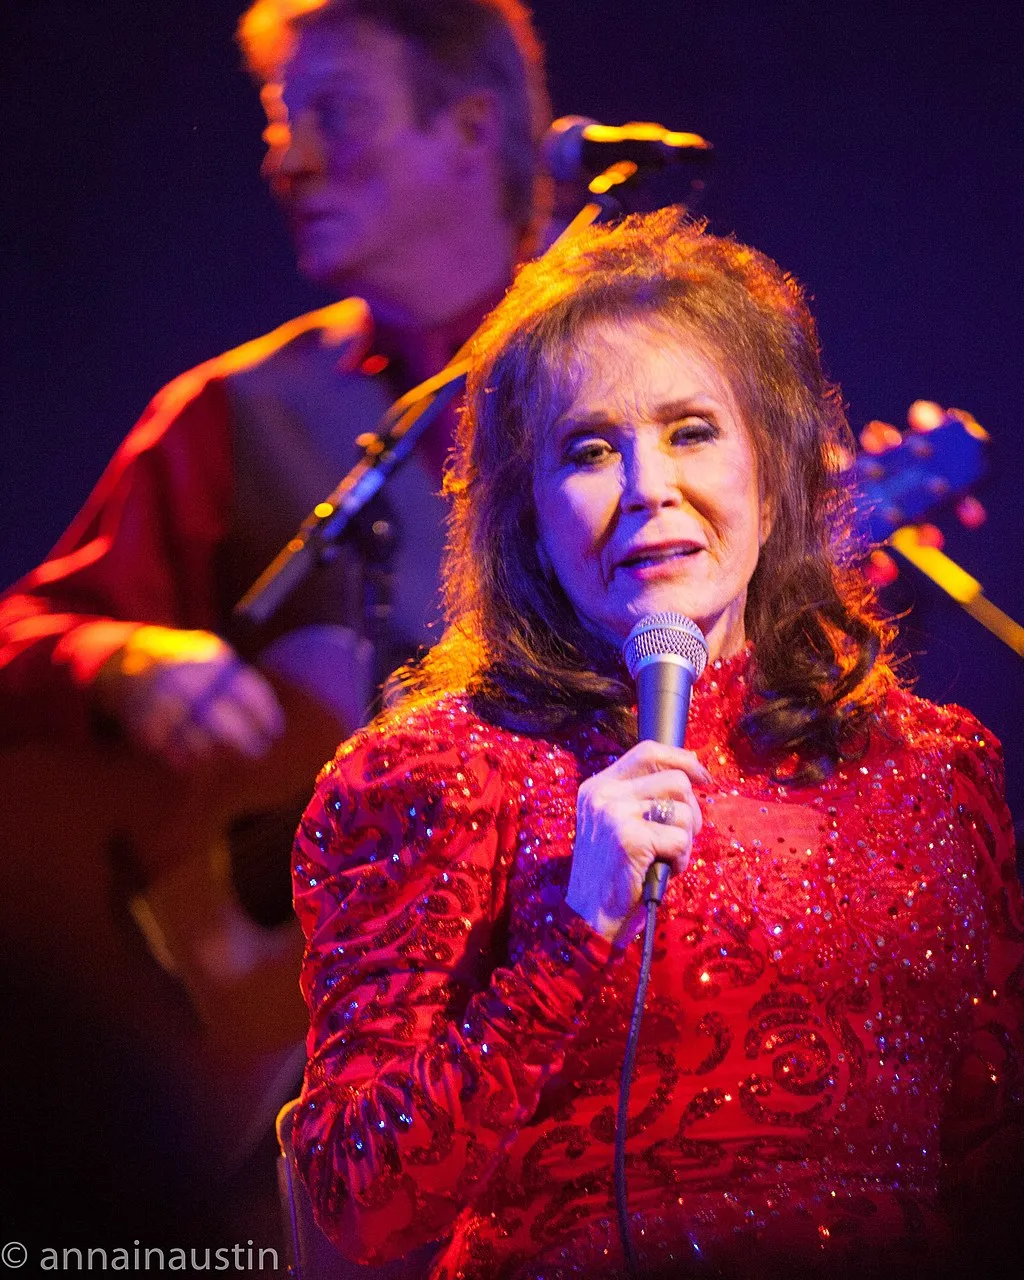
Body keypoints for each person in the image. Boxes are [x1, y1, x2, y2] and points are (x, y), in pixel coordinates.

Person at [289, 208, 1024, 1279]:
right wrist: (573, 932)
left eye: (690, 430)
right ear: (527, 515)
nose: (647, 487)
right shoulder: (438, 773)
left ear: (774, 469)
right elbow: (351, 1199)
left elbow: (988, 1147)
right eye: (589, 449)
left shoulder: (931, 766)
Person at [0, 0, 551, 1245]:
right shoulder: (230, 413)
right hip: (272, 1095)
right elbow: (27, 633)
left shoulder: (623, 397)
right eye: (276, 118)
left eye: (332, 114)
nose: (284, 156)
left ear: (469, 127)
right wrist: (118, 656)